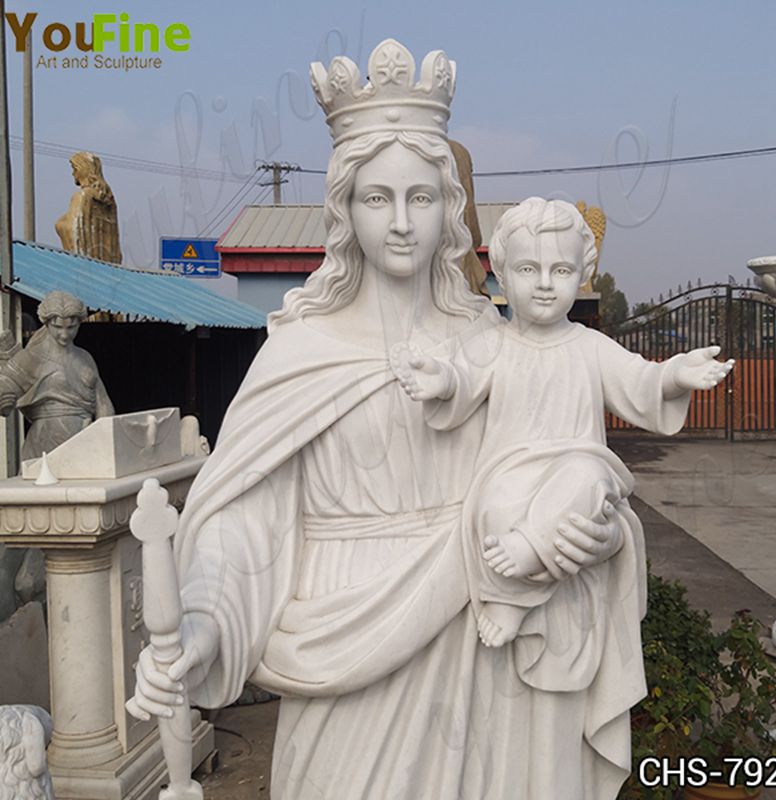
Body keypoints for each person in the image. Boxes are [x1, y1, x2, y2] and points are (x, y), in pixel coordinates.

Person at [130, 41, 635, 800]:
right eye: (377, 198)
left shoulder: (491, 345)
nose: (401, 222)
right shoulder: (299, 353)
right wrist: (199, 628)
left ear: (450, 209)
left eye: (421, 198)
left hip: (487, 647)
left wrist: (598, 533)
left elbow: (565, 466)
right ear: (344, 207)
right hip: (340, 646)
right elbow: (244, 529)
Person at [394, 197, 735, 650]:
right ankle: (510, 594)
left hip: (575, 474)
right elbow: (462, 379)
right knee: (495, 506)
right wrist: (439, 378)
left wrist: (675, 374)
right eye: (528, 269)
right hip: (510, 473)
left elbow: (641, 380)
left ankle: (528, 560)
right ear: (502, 271)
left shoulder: (590, 346)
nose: (544, 285)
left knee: (590, 477)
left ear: (581, 276)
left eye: (560, 271)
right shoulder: (491, 344)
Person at [0, 291, 115, 461]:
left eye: (71, 327)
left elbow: (103, 403)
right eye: (58, 327)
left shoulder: (85, 357)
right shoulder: (33, 357)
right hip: (46, 442)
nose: (64, 334)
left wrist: (106, 436)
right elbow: (5, 390)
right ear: (46, 324)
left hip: (86, 440)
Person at [55, 151, 122, 264]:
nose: (73, 174)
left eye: (74, 169)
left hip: (82, 265)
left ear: (82, 169)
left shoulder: (82, 196)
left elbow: (75, 232)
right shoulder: (109, 201)